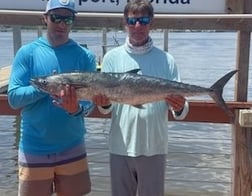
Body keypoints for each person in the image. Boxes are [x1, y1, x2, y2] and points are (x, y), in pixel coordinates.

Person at [93, 0, 189, 195]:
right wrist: (103, 105)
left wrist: (179, 107)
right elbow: (107, 106)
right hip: (120, 146)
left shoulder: (166, 60)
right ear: (125, 23)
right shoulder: (111, 58)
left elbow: (182, 108)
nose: (138, 26)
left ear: (151, 23)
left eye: (144, 20)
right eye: (133, 20)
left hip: (154, 145)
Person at [7, 0, 96, 195]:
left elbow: (89, 104)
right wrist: (45, 88)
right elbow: (13, 98)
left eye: (68, 19)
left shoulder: (86, 56)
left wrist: (76, 109)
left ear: (73, 21)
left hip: (73, 146)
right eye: (56, 17)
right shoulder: (27, 53)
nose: (62, 24)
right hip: (34, 148)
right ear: (45, 18)